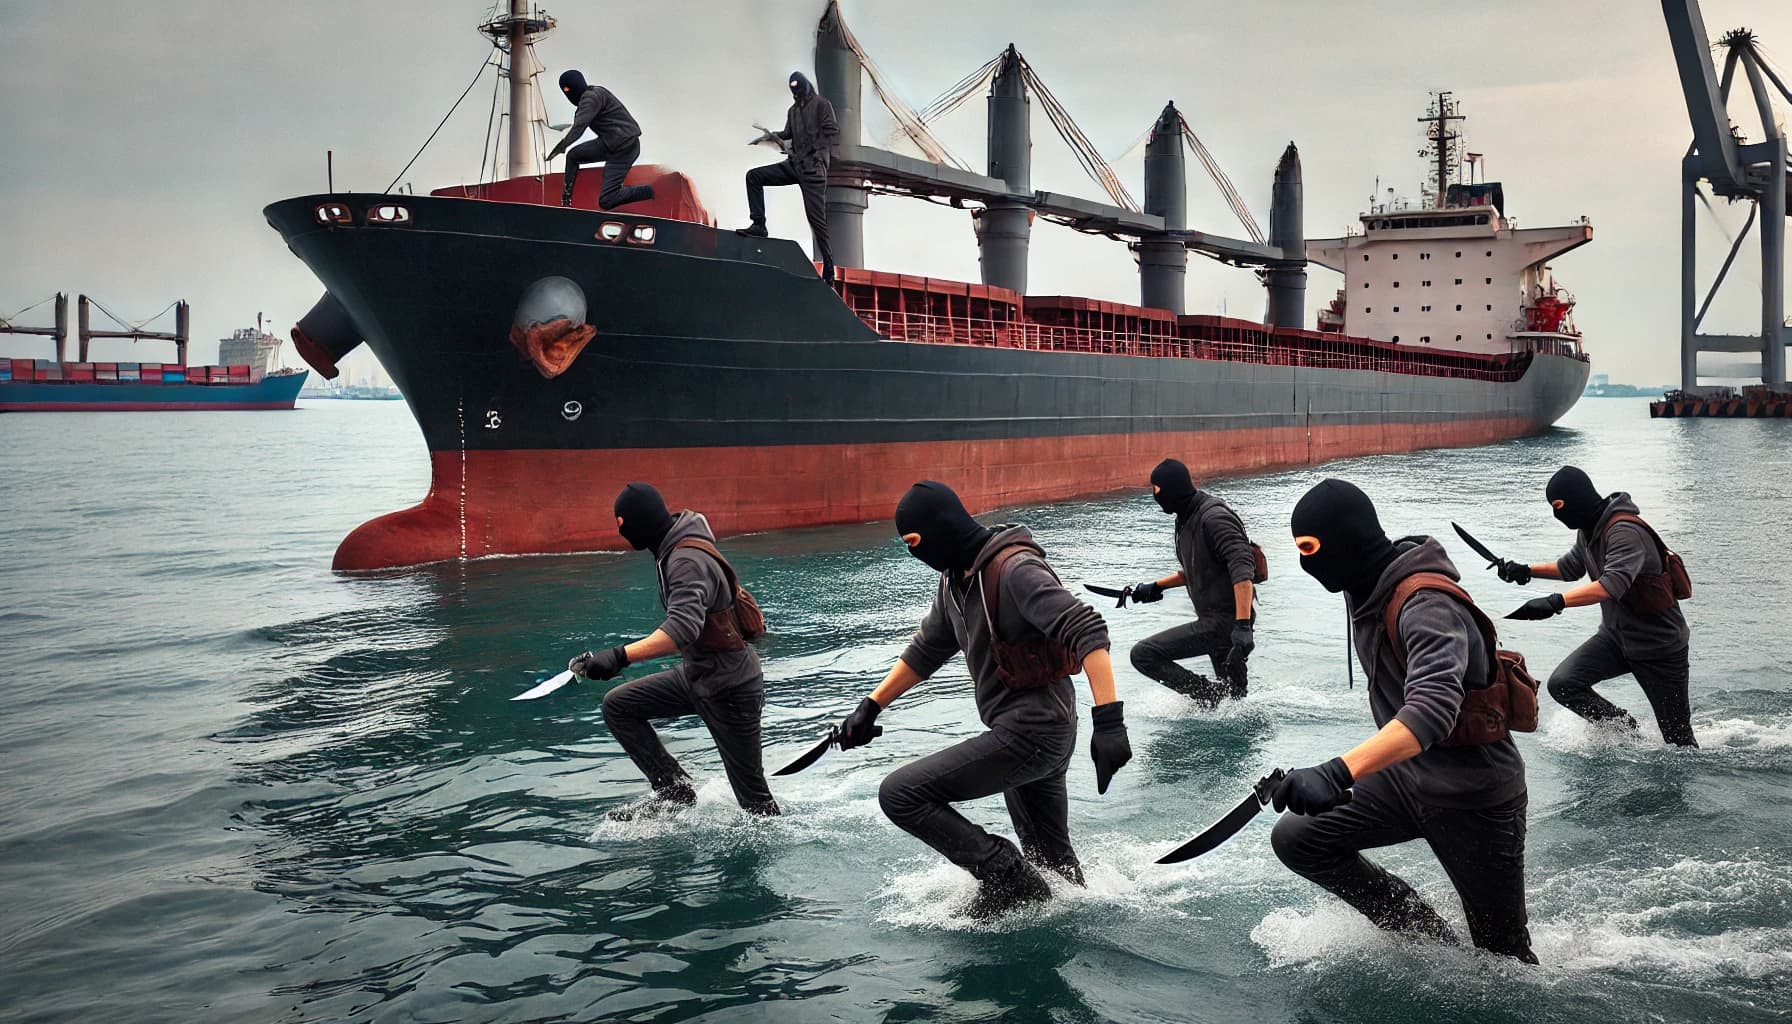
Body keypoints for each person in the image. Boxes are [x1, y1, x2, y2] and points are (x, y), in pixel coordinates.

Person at [831, 481, 1131, 918]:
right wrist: (871, 705)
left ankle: (1004, 873)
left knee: (900, 794)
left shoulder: (1015, 570)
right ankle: (1074, 921)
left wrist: (1110, 723)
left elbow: (1087, 631)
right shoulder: (955, 578)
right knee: (1055, 871)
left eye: (915, 543)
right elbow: (928, 648)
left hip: (1033, 733)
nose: (915, 555)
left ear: (941, 527)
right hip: (1028, 732)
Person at [1270, 478, 1536, 963]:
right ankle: (1424, 937)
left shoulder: (1426, 606)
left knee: (1506, 963)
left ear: (1347, 538)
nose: (1305, 562)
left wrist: (1336, 772)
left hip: (1473, 797)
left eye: (1310, 547)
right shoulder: (1364, 583)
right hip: (1409, 780)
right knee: (1299, 838)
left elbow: (1431, 712)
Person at [572, 483, 778, 819]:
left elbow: (682, 629)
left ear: (638, 524)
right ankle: (674, 790)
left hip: (731, 689)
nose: (622, 535)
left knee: (756, 807)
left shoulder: (684, 559)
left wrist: (618, 656)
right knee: (619, 706)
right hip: (699, 676)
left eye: (623, 526)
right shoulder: (672, 548)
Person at [1493, 466, 1696, 746]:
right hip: (1616, 639)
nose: (1557, 515)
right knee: (1564, 684)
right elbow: (1570, 567)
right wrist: (1525, 570)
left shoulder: (1624, 531)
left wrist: (1557, 602)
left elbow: (1611, 585)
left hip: (1659, 647)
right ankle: (1627, 732)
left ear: (1576, 499)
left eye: (1559, 507)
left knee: (1679, 741)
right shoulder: (1589, 529)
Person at [1126, 459, 1259, 706]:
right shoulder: (1186, 517)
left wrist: (1242, 627)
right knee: (1236, 703)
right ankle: (1218, 701)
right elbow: (1199, 570)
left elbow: (1243, 569)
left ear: (1173, 489)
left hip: (1225, 623)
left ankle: (1208, 696)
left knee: (1144, 655)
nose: (1156, 497)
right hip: (1216, 620)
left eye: (1157, 491)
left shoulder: (1214, 517)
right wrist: (1155, 586)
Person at [736, 71, 838, 280]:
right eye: (794, 91)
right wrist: (770, 136)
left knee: (816, 220)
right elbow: (787, 134)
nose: (797, 94)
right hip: (794, 165)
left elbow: (831, 132)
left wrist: (816, 155)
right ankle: (759, 225)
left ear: (805, 87)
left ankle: (829, 266)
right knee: (753, 177)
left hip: (813, 171)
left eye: (799, 89)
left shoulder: (821, 104)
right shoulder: (792, 111)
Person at [546, 70, 655, 211]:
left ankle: (651, 190)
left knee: (607, 199)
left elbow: (579, 126)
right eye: (564, 90)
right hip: (614, 144)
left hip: (624, 148)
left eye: (568, 89)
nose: (567, 93)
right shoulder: (596, 93)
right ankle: (566, 200)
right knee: (573, 156)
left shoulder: (590, 99)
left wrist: (562, 145)